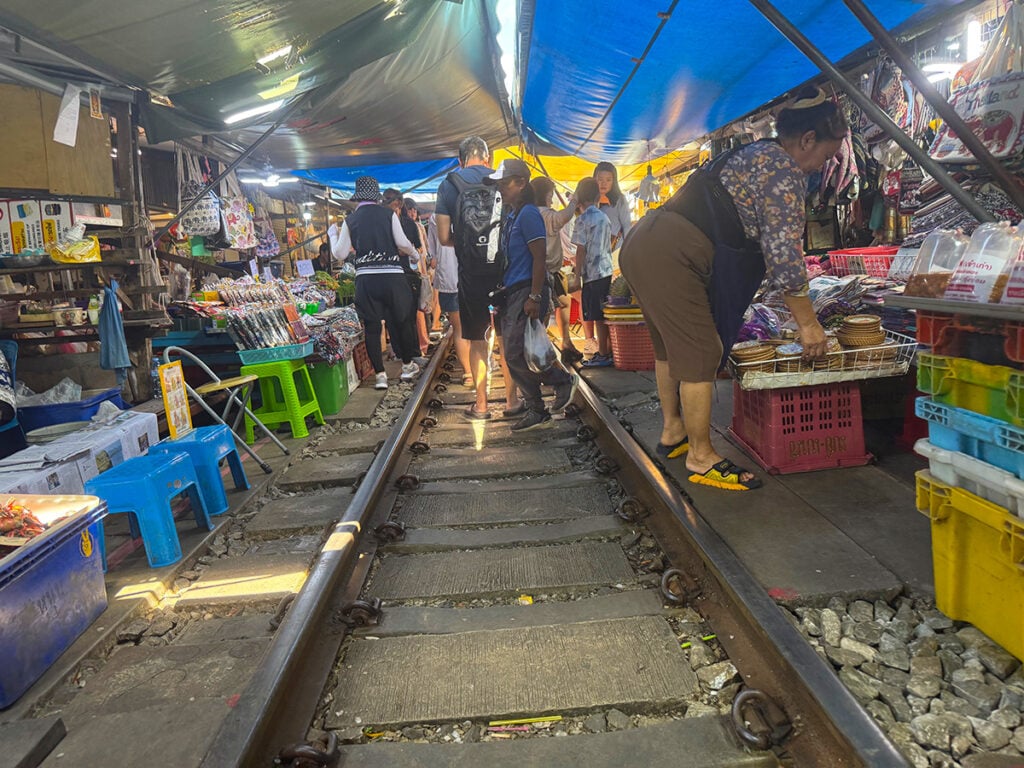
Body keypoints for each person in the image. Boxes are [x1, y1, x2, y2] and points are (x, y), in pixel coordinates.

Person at [619, 86, 845, 491]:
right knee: (702, 351)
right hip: (673, 252)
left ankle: (674, 431)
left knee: (670, 348)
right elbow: (783, 255)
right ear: (807, 139)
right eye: (825, 156)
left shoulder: (752, 153)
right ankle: (701, 456)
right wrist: (810, 326)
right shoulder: (783, 170)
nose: (820, 167)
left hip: (644, 243)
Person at [485, 158, 578, 431]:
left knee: (515, 352)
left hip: (528, 288)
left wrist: (535, 296)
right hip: (515, 290)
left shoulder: (528, 215)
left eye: (504, 183)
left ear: (521, 183)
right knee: (518, 353)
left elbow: (540, 257)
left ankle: (558, 381)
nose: (500, 189)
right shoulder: (513, 215)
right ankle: (537, 408)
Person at [435, 136, 520, 420]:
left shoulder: (448, 185)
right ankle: (512, 402)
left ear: (460, 161)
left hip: (470, 274)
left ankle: (482, 405)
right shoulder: (502, 179)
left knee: (477, 340)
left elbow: (444, 236)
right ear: (488, 159)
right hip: (504, 272)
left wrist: (467, 243)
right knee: (507, 338)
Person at [328, 176, 421, 389]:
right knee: (402, 321)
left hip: (366, 280)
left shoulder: (351, 220)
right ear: (376, 196)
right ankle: (407, 367)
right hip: (392, 277)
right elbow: (402, 243)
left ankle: (380, 376)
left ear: (358, 197)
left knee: (371, 327)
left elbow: (340, 253)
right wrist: (415, 255)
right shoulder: (388, 214)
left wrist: (332, 235)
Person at [530, 176, 582, 366]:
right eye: (550, 195)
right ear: (546, 195)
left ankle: (564, 343)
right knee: (548, 310)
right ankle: (544, 352)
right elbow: (565, 215)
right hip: (547, 271)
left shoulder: (530, 213)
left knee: (562, 303)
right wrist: (574, 201)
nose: (552, 199)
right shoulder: (547, 215)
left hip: (545, 270)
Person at [586, 162, 632, 354]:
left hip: (614, 258)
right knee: (598, 306)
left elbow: (627, 227)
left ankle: (617, 347)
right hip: (594, 261)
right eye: (600, 179)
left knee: (614, 301)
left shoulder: (619, 200)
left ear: (614, 181)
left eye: (608, 179)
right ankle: (603, 349)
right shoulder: (589, 201)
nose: (604, 183)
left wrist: (628, 254)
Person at [571, 178, 614, 368]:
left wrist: (576, 274)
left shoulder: (582, 219)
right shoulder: (604, 217)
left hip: (591, 273)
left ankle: (603, 354)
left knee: (597, 315)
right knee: (603, 313)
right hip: (606, 270)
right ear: (597, 195)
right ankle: (607, 350)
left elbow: (581, 250)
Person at [383, 188, 429, 364]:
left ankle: (413, 353)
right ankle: (399, 353)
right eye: (386, 201)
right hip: (388, 275)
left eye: (392, 202)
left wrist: (407, 251)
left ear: (400, 204)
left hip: (408, 275)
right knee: (392, 318)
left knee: (408, 317)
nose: (390, 206)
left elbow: (417, 248)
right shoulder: (382, 223)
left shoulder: (409, 224)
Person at [426, 211, 473, 381]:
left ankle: (468, 372)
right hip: (475, 277)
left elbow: (432, 251)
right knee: (479, 329)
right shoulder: (475, 210)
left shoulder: (435, 218)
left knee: (459, 329)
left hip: (449, 278)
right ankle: (481, 365)